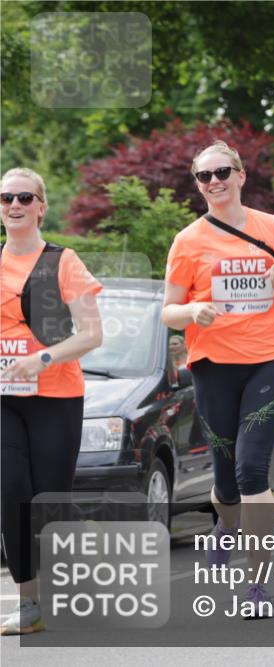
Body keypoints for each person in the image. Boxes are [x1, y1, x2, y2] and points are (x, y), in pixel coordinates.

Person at [161, 141, 274, 617]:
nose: (214, 181)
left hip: (271, 359)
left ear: (240, 175)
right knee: (227, 482)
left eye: (222, 171)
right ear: (198, 183)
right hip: (213, 367)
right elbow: (168, 311)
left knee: (253, 469)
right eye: (204, 175)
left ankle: (257, 585)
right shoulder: (188, 241)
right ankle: (224, 525)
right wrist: (191, 309)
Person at [1, 167, 104, 635]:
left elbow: (91, 335)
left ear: (41, 206)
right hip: (5, 399)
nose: (14, 206)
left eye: (24, 197)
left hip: (56, 395)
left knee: (50, 501)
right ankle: (29, 605)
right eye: (6, 199)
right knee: (11, 494)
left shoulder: (64, 262)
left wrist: (42, 358)